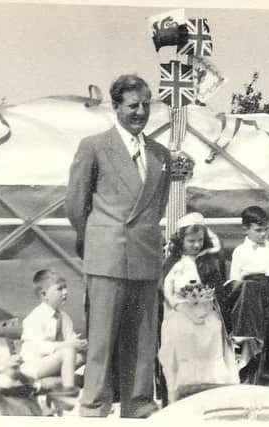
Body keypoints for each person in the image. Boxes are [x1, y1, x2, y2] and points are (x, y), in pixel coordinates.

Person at [66, 74, 171, 418]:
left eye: (145, 105)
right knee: (101, 339)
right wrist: (97, 238)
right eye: (132, 105)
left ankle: (138, 403)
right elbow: (75, 204)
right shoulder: (94, 146)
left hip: (145, 254)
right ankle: (94, 405)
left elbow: (158, 204)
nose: (140, 112)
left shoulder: (159, 154)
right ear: (116, 107)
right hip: (107, 255)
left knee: (143, 339)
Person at [158, 212, 238, 403]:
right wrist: (180, 306)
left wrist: (209, 305)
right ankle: (183, 389)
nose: (196, 245)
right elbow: (166, 290)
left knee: (213, 327)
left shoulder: (207, 262)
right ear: (181, 240)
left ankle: (211, 386)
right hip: (180, 311)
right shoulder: (174, 263)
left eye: (199, 240)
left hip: (206, 310)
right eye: (191, 241)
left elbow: (217, 291)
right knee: (182, 332)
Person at [227, 205, 269, 383]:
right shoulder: (240, 252)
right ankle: (252, 379)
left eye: (267, 229)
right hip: (252, 299)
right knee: (255, 339)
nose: (264, 234)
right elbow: (235, 283)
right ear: (245, 229)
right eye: (258, 230)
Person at [19, 269, 87, 397]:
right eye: (60, 289)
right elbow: (38, 347)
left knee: (86, 354)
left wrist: (80, 344)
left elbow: (70, 339)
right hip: (35, 365)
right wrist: (67, 345)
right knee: (68, 351)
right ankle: (68, 391)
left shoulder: (65, 317)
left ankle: (91, 384)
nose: (65, 292)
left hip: (55, 362)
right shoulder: (35, 317)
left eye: (66, 288)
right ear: (44, 294)